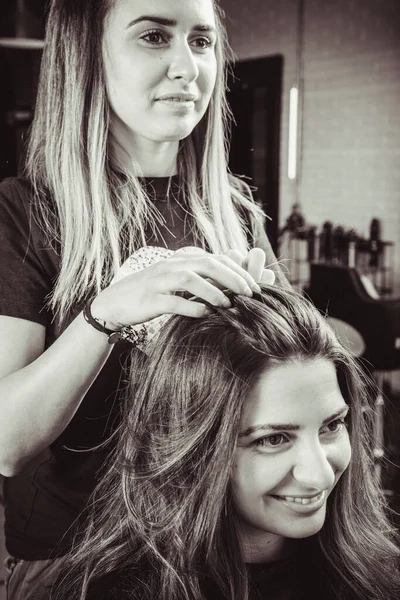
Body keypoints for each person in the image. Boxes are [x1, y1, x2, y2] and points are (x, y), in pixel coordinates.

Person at [0, 0, 287, 597]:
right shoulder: (26, 213)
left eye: (202, 41)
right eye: (155, 36)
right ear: (87, 58)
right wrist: (104, 314)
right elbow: (7, 445)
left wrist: (273, 343)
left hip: (216, 548)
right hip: (77, 559)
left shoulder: (233, 212)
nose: (188, 67)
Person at [51, 285, 400, 600]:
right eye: (273, 439)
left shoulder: (380, 576)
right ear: (192, 447)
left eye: (332, 425)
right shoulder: (114, 592)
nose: (320, 475)